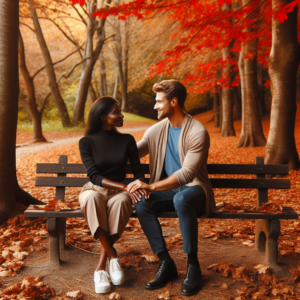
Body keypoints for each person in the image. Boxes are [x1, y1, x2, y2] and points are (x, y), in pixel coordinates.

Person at [127, 80, 219, 296]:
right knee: (141, 199)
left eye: (159, 101)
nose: (155, 106)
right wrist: (102, 143)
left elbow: (187, 174)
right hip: (168, 190)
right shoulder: (156, 131)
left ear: (174, 101)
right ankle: (165, 262)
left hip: (195, 190)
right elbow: (131, 155)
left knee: (181, 199)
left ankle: (193, 266)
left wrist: (150, 185)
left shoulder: (198, 131)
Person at [78, 96, 147, 294]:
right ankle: (113, 257)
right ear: (102, 116)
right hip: (94, 189)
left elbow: (137, 171)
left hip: (119, 192)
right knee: (92, 199)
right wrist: (125, 187)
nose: (121, 115)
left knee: (124, 201)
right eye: (116, 112)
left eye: (120, 111)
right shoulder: (86, 142)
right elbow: (94, 176)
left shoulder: (127, 140)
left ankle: (101, 267)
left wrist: (138, 186)